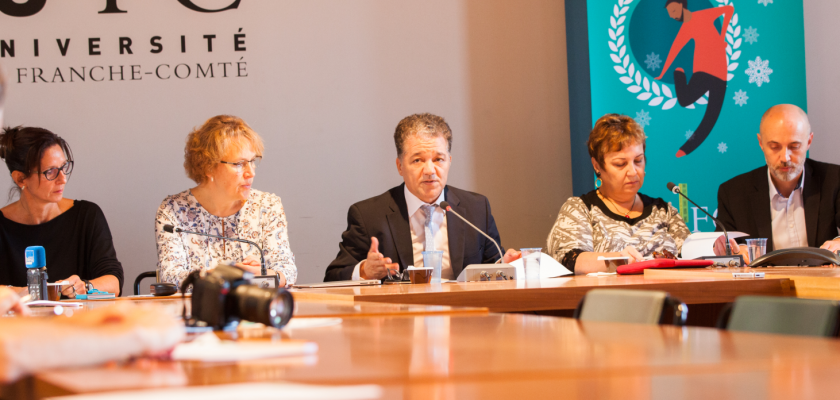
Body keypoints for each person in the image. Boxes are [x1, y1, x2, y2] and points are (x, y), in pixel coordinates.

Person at [324, 113, 520, 282]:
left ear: (449, 162)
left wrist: (505, 265)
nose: (429, 170)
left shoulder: (476, 209)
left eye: (438, 159)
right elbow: (333, 277)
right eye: (417, 160)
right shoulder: (368, 216)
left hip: (464, 315)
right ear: (400, 166)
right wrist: (364, 272)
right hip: (399, 319)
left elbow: (493, 266)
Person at [155, 115, 296, 288]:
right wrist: (227, 275)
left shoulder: (267, 205)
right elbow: (171, 277)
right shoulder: (174, 210)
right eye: (239, 164)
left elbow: (287, 270)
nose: (251, 173)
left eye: (252, 162)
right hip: (196, 311)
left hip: (254, 310)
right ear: (208, 166)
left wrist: (262, 274)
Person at [546, 114, 691, 274]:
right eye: (620, 164)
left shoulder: (663, 211)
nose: (633, 172)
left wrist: (713, 247)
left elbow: (691, 255)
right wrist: (619, 260)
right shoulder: (581, 209)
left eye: (638, 161)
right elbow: (570, 260)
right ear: (597, 165)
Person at [0, 126, 124, 297]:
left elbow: (114, 282)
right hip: (18, 323)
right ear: (21, 178)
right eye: (50, 172)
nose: (63, 179)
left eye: (64, 167)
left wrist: (85, 286)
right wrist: (23, 293)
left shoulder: (87, 216)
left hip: (78, 322)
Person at [714, 104, 840, 259]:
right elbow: (724, 244)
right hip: (764, 282)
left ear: (809, 141)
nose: (785, 158)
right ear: (761, 143)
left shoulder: (835, 180)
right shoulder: (733, 193)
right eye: (774, 147)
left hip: (823, 281)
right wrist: (735, 251)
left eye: (794, 146)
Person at [655, 0, 733, 158]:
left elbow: (729, 9)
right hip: (702, 70)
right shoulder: (685, 28)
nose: (672, 15)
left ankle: (685, 149)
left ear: (681, 5)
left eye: (673, 10)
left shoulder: (703, 15)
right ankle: (679, 74)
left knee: (711, 116)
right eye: (670, 13)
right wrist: (663, 73)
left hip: (720, 71)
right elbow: (674, 50)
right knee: (684, 100)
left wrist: (722, 36)